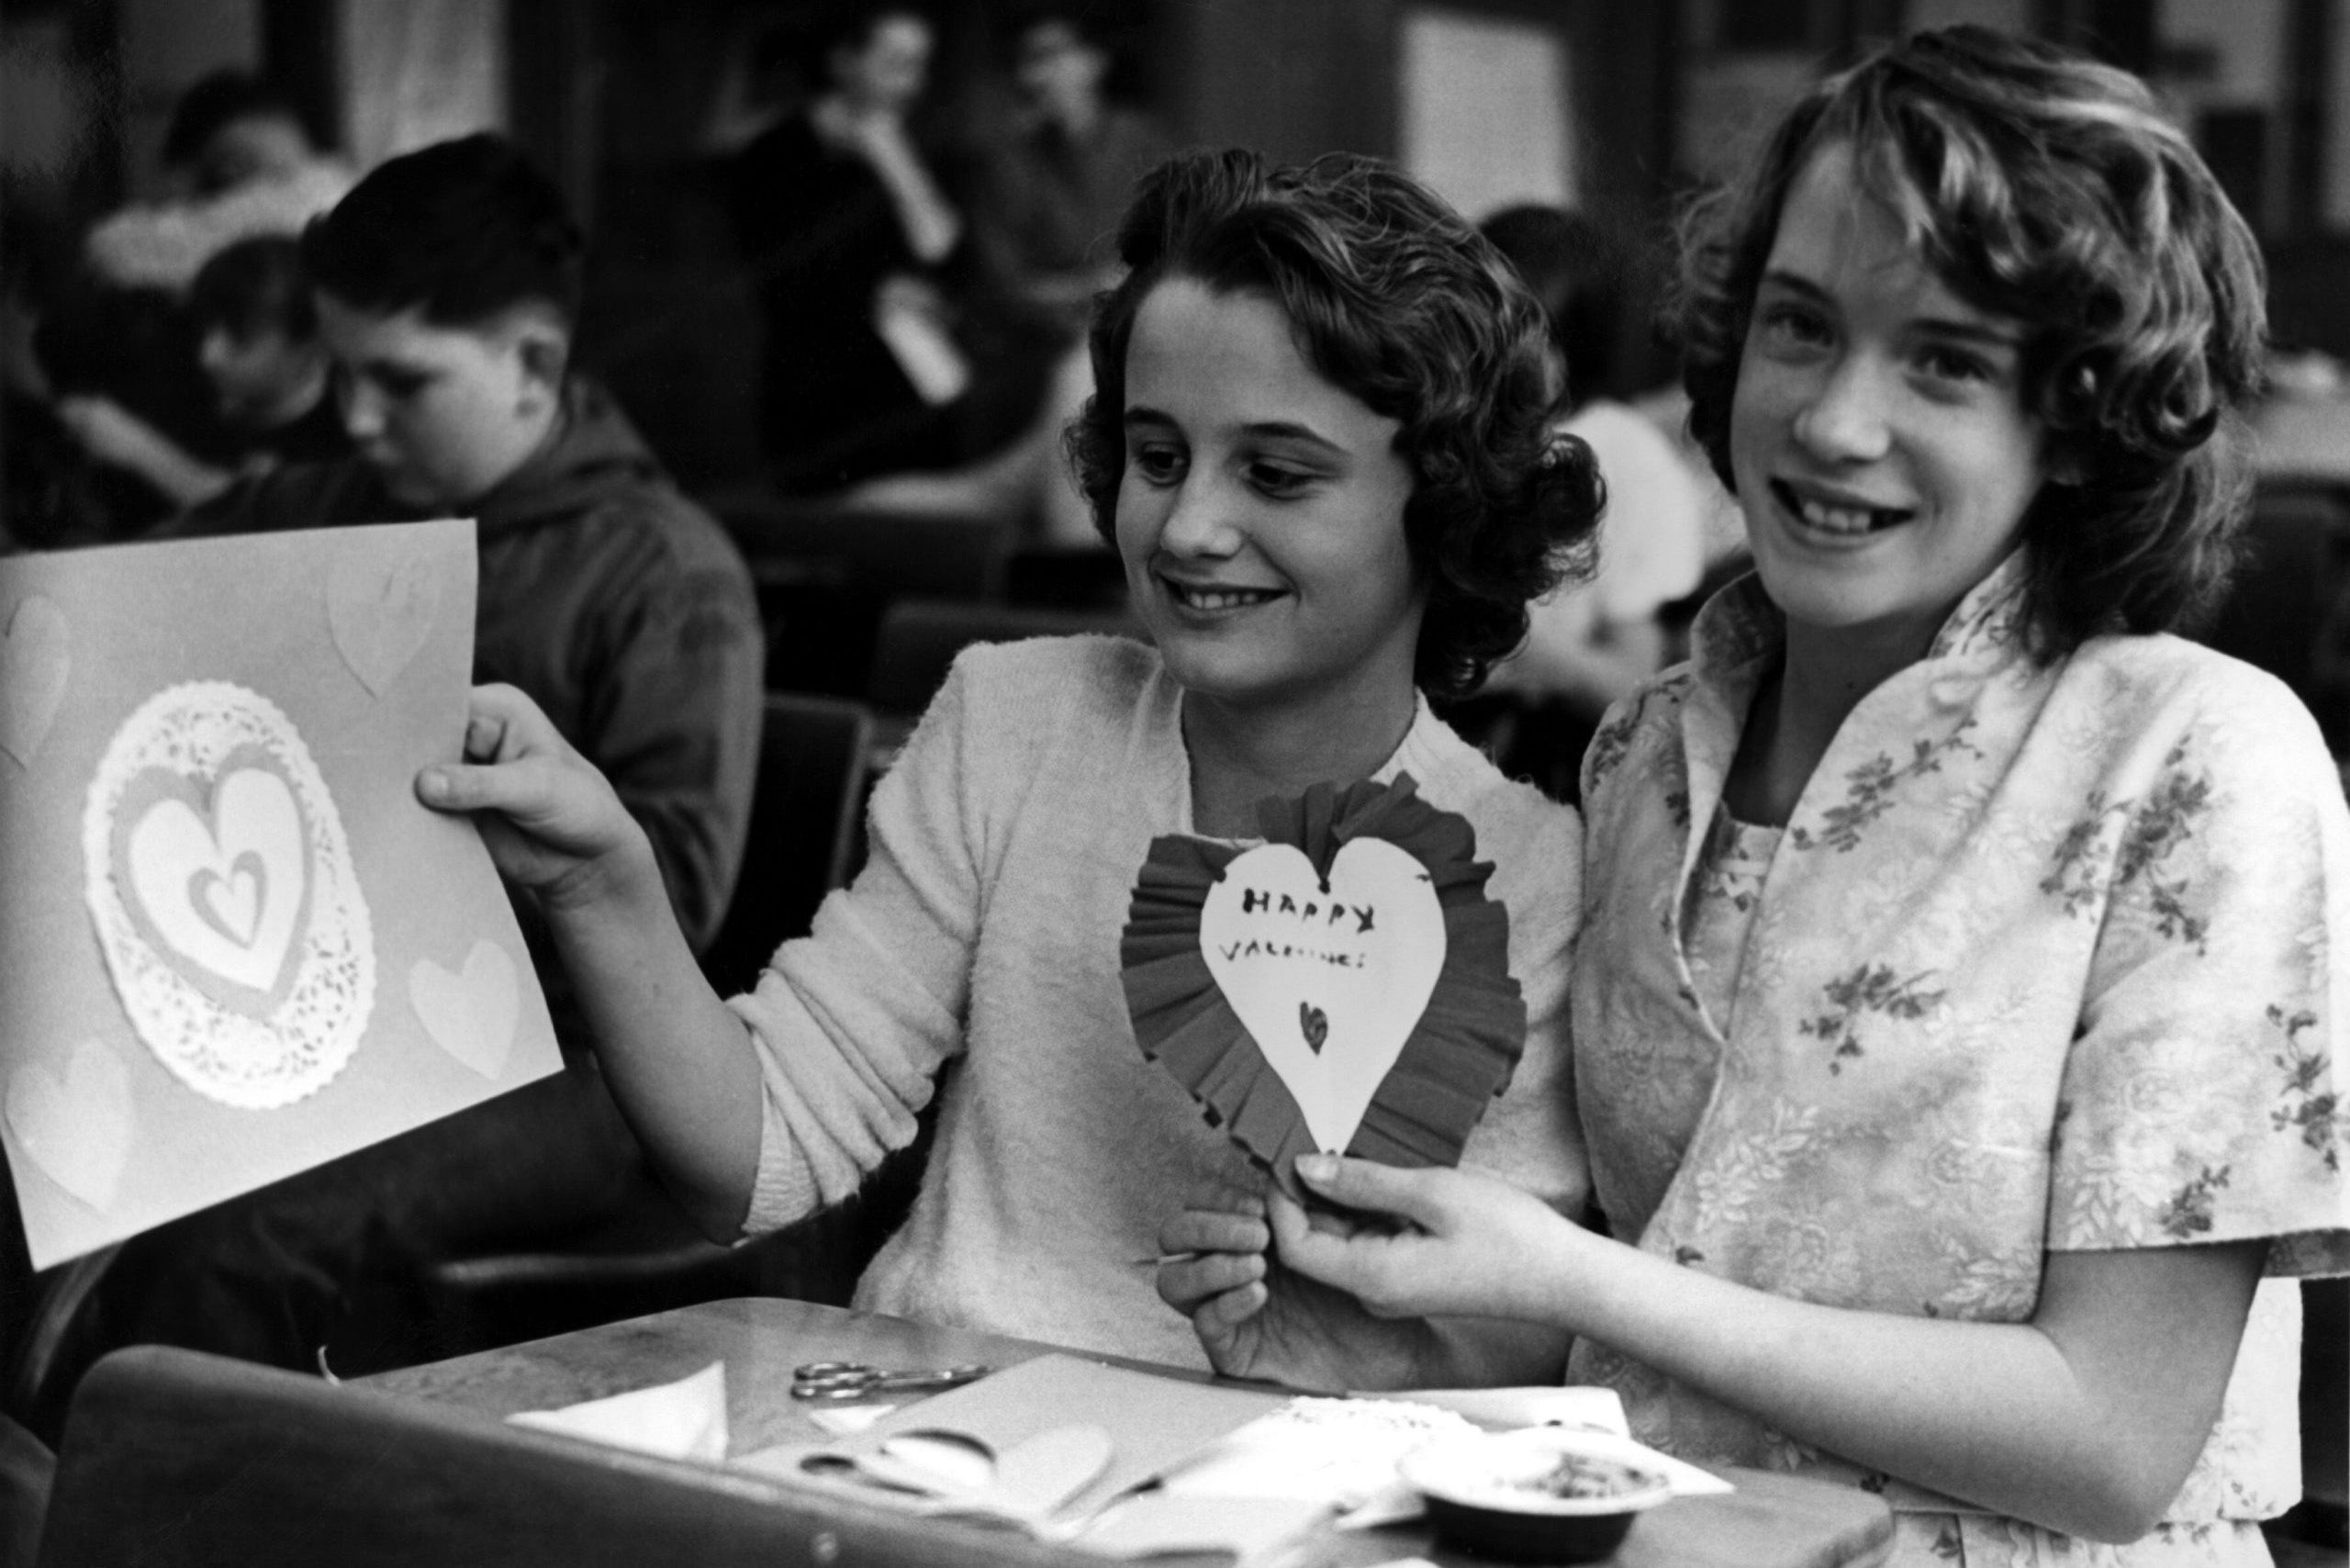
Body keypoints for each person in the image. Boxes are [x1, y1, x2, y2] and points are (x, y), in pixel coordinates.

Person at [1160, 27, 2349, 1564]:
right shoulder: (1647, 748)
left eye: (1946, 360)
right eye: (1799, 327)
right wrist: (1373, 1309)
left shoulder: (2202, 757)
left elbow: (2112, 1439)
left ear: (2080, 417)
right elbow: (1617, 1330)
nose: (1834, 418)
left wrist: (1573, 1282)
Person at [415, 148, 1604, 1384]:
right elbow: (756, 1155)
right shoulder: (1018, 725)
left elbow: (1520, 1347)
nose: (1188, 526)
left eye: (1277, 472)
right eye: (1156, 456)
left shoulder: (1528, 871)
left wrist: (1352, 1347)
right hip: (927, 1446)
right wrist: (603, 881)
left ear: (1447, 502)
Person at [50, 134, 764, 1400]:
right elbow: (98, 623)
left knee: (239, 1238)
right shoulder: (310, 510)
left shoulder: (663, 573)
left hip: (570, 1059)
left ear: (533, 364)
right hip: (276, 1015)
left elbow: (685, 898)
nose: (360, 415)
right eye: (341, 374)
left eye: (403, 380)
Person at [1474, 205, 1707, 800]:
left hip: (1548, 763)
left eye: (1535, 340)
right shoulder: (1441, 431)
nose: (1503, 367)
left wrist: (1535, 660)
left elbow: (1638, 688)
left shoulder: (1623, 460)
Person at [717, 4, 975, 493]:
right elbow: (783, 285)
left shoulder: (909, 151)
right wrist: (879, 295)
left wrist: (898, 168)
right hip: (820, 399)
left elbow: (950, 261)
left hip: (912, 398)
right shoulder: (773, 157)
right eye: (897, 64)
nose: (912, 84)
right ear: (843, 62)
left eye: (921, 67)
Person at [53, 235, 345, 511]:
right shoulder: (184, 357)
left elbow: (262, 518)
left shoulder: (336, 437)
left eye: (239, 339)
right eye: (207, 327)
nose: (208, 354)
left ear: (309, 346)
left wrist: (136, 448)